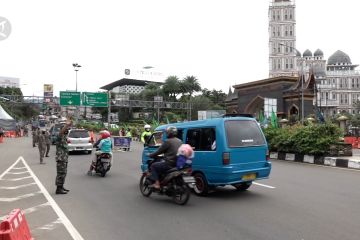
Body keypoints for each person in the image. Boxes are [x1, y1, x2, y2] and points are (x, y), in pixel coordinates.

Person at [55, 119, 72, 194]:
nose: (67, 131)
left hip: (64, 159)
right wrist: (66, 125)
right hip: (61, 159)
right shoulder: (59, 137)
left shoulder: (64, 139)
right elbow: (61, 132)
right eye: (66, 130)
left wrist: (69, 125)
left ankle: (61, 186)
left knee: (64, 173)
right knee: (61, 173)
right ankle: (58, 189)